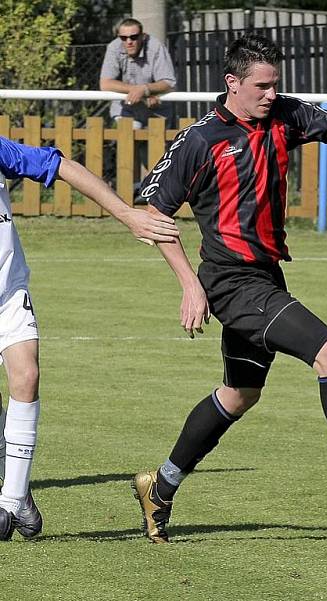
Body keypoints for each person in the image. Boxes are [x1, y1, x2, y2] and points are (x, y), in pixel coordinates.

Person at [131, 33, 327, 544]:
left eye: (276, 84)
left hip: (265, 275)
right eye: (262, 85)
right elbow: (153, 212)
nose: (272, 93)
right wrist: (190, 284)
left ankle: (159, 487)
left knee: (238, 395)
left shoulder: (284, 116)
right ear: (232, 83)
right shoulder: (199, 140)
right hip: (231, 282)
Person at [0, 136, 181, 541]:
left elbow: (62, 166)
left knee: (26, 377)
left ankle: (10, 500)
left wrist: (124, 213)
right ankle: (18, 493)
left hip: (8, 293)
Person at [99, 18, 177, 129]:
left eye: (134, 37)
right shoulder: (114, 47)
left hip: (157, 112)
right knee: (128, 141)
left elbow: (169, 82)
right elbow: (105, 84)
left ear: (143, 36)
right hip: (126, 110)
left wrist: (145, 89)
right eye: (123, 38)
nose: (129, 41)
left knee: (156, 145)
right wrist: (138, 90)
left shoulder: (156, 47)